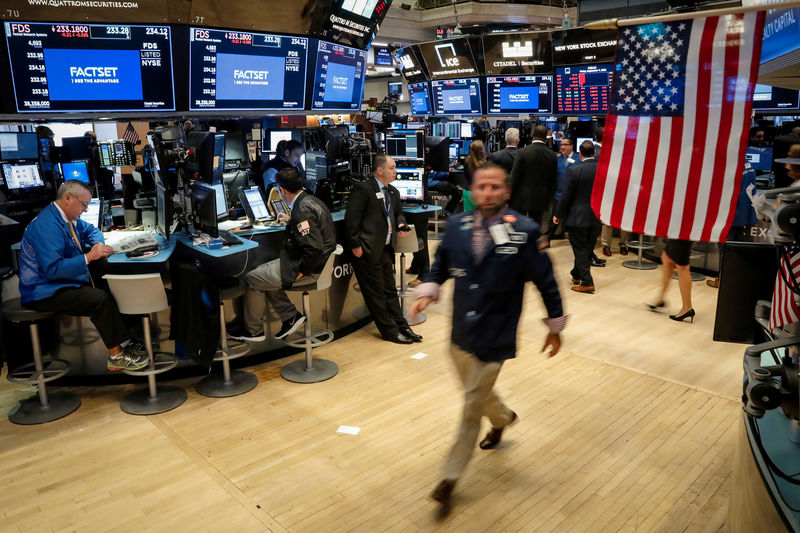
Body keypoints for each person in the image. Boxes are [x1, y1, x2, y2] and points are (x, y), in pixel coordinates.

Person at [409, 163, 564, 507]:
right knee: (476, 393)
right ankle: (504, 418)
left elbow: (547, 282)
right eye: (482, 187)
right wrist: (427, 292)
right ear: (472, 191)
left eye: (495, 187)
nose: (488, 193)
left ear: (507, 191)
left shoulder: (524, 232)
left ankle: (449, 477)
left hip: (496, 335)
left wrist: (555, 326)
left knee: (469, 407)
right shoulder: (456, 226)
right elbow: (441, 265)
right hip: (461, 333)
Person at [18, 180, 149, 371]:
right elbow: (52, 269)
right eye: (84, 204)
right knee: (98, 299)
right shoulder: (47, 226)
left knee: (106, 275)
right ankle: (116, 356)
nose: (86, 210)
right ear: (68, 198)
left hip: (59, 282)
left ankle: (128, 341)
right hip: (43, 291)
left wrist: (96, 245)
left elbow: (91, 230)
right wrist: (88, 257)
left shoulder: (67, 218)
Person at [229, 168, 336, 341]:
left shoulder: (301, 209)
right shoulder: (310, 200)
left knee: (252, 279)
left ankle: (253, 330)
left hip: (310, 268)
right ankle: (290, 316)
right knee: (262, 273)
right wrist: (291, 220)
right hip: (311, 263)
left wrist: (302, 271)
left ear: (282, 190)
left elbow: (314, 249)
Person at [345, 154, 421, 345]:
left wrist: (401, 224)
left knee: (390, 291)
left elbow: (398, 214)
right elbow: (351, 220)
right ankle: (389, 331)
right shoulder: (364, 189)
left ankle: (403, 327)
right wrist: (355, 246)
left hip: (386, 248)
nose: (396, 171)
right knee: (376, 294)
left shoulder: (393, 192)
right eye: (392, 168)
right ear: (380, 170)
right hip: (367, 249)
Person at [553, 141, 602, 293]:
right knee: (587, 247)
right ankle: (576, 273)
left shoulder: (574, 171)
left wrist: (558, 214)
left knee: (580, 249)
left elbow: (566, 196)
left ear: (580, 154)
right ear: (594, 153)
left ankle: (587, 282)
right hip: (597, 216)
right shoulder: (602, 171)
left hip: (577, 217)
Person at [509, 125, 558, 229]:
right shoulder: (552, 155)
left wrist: (509, 198)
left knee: (520, 227)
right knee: (535, 228)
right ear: (546, 137)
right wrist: (548, 200)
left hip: (521, 198)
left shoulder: (522, 152)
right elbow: (553, 181)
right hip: (541, 199)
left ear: (533, 135)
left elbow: (514, 177)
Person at [647, 239, 695, 322]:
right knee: (667, 258)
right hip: (677, 232)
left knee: (682, 267)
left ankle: (687, 308)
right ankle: (660, 299)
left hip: (683, 232)